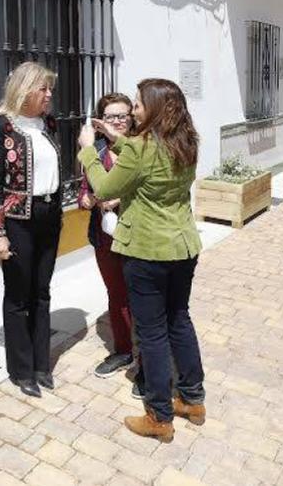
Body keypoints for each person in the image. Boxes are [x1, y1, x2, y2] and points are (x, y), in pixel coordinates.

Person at [78, 78, 205, 443]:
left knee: (152, 332)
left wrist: (88, 150)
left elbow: (105, 188)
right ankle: (192, 399)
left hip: (148, 251)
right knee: (179, 319)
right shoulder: (186, 142)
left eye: (137, 104)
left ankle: (159, 416)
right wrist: (114, 137)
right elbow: (146, 157)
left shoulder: (140, 148)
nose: (133, 110)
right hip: (182, 246)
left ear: (155, 108)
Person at [0, 61, 63, 398]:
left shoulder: (49, 124)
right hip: (17, 221)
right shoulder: (2, 126)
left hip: (49, 215)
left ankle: (41, 364)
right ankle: (21, 370)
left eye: (50, 89)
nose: (49, 95)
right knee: (18, 294)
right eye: (43, 88)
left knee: (42, 292)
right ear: (25, 89)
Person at [78, 92, 136, 382]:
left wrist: (118, 197)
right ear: (101, 121)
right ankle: (123, 350)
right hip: (105, 235)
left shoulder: (140, 147)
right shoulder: (96, 151)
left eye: (123, 115)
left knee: (142, 296)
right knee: (116, 294)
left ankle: (146, 358)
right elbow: (84, 189)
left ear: (132, 117)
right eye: (111, 116)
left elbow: (147, 185)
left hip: (137, 235)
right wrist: (88, 199)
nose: (117, 121)